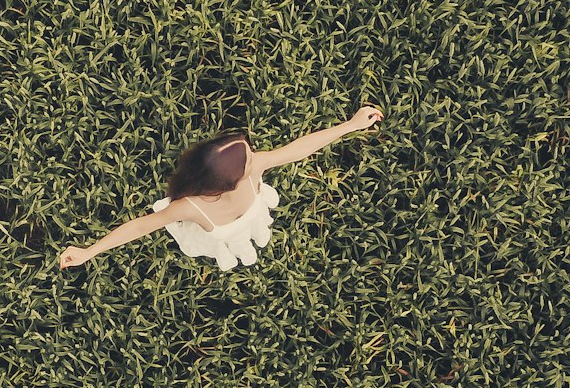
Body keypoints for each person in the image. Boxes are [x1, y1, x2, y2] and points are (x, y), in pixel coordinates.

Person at [58, 105, 383, 269]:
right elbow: (142, 225)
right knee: (236, 246)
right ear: (228, 182)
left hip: (244, 222)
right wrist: (91, 251)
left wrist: (351, 125)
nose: (253, 156)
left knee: (252, 236)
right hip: (222, 233)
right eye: (247, 157)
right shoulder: (192, 206)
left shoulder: (251, 167)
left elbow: (299, 148)